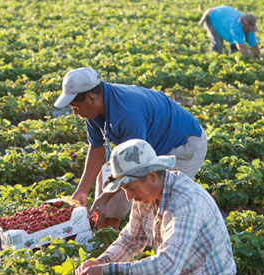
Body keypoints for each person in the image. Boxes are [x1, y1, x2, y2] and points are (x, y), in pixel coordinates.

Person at [75, 139, 239, 275]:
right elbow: (131, 240)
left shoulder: (186, 201)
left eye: (130, 188)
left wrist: (107, 273)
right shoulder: (146, 196)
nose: (129, 197)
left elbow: (168, 265)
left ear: (152, 176)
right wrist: (102, 262)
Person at [54, 67, 207, 229]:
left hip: (183, 144)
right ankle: (107, 229)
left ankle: (163, 243)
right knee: (109, 177)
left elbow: (134, 166)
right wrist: (82, 192)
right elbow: (97, 149)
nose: (75, 113)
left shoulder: (127, 113)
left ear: (91, 98)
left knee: (159, 201)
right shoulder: (95, 109)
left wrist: (104, 199)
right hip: (151, 144)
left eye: (75, 107)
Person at [200, 5, 264, 61]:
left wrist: (260, 56)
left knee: (235, 46)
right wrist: (252, 58)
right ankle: (207, 60)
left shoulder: (249, 28)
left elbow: (254, 45)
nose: (250, 31)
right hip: (212, 16)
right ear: (243, 24)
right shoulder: (236, 27)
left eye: (251, 29)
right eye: (248, 29)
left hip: (225, 17)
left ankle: (232, 60)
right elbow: (241, 47)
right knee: (218, 45)